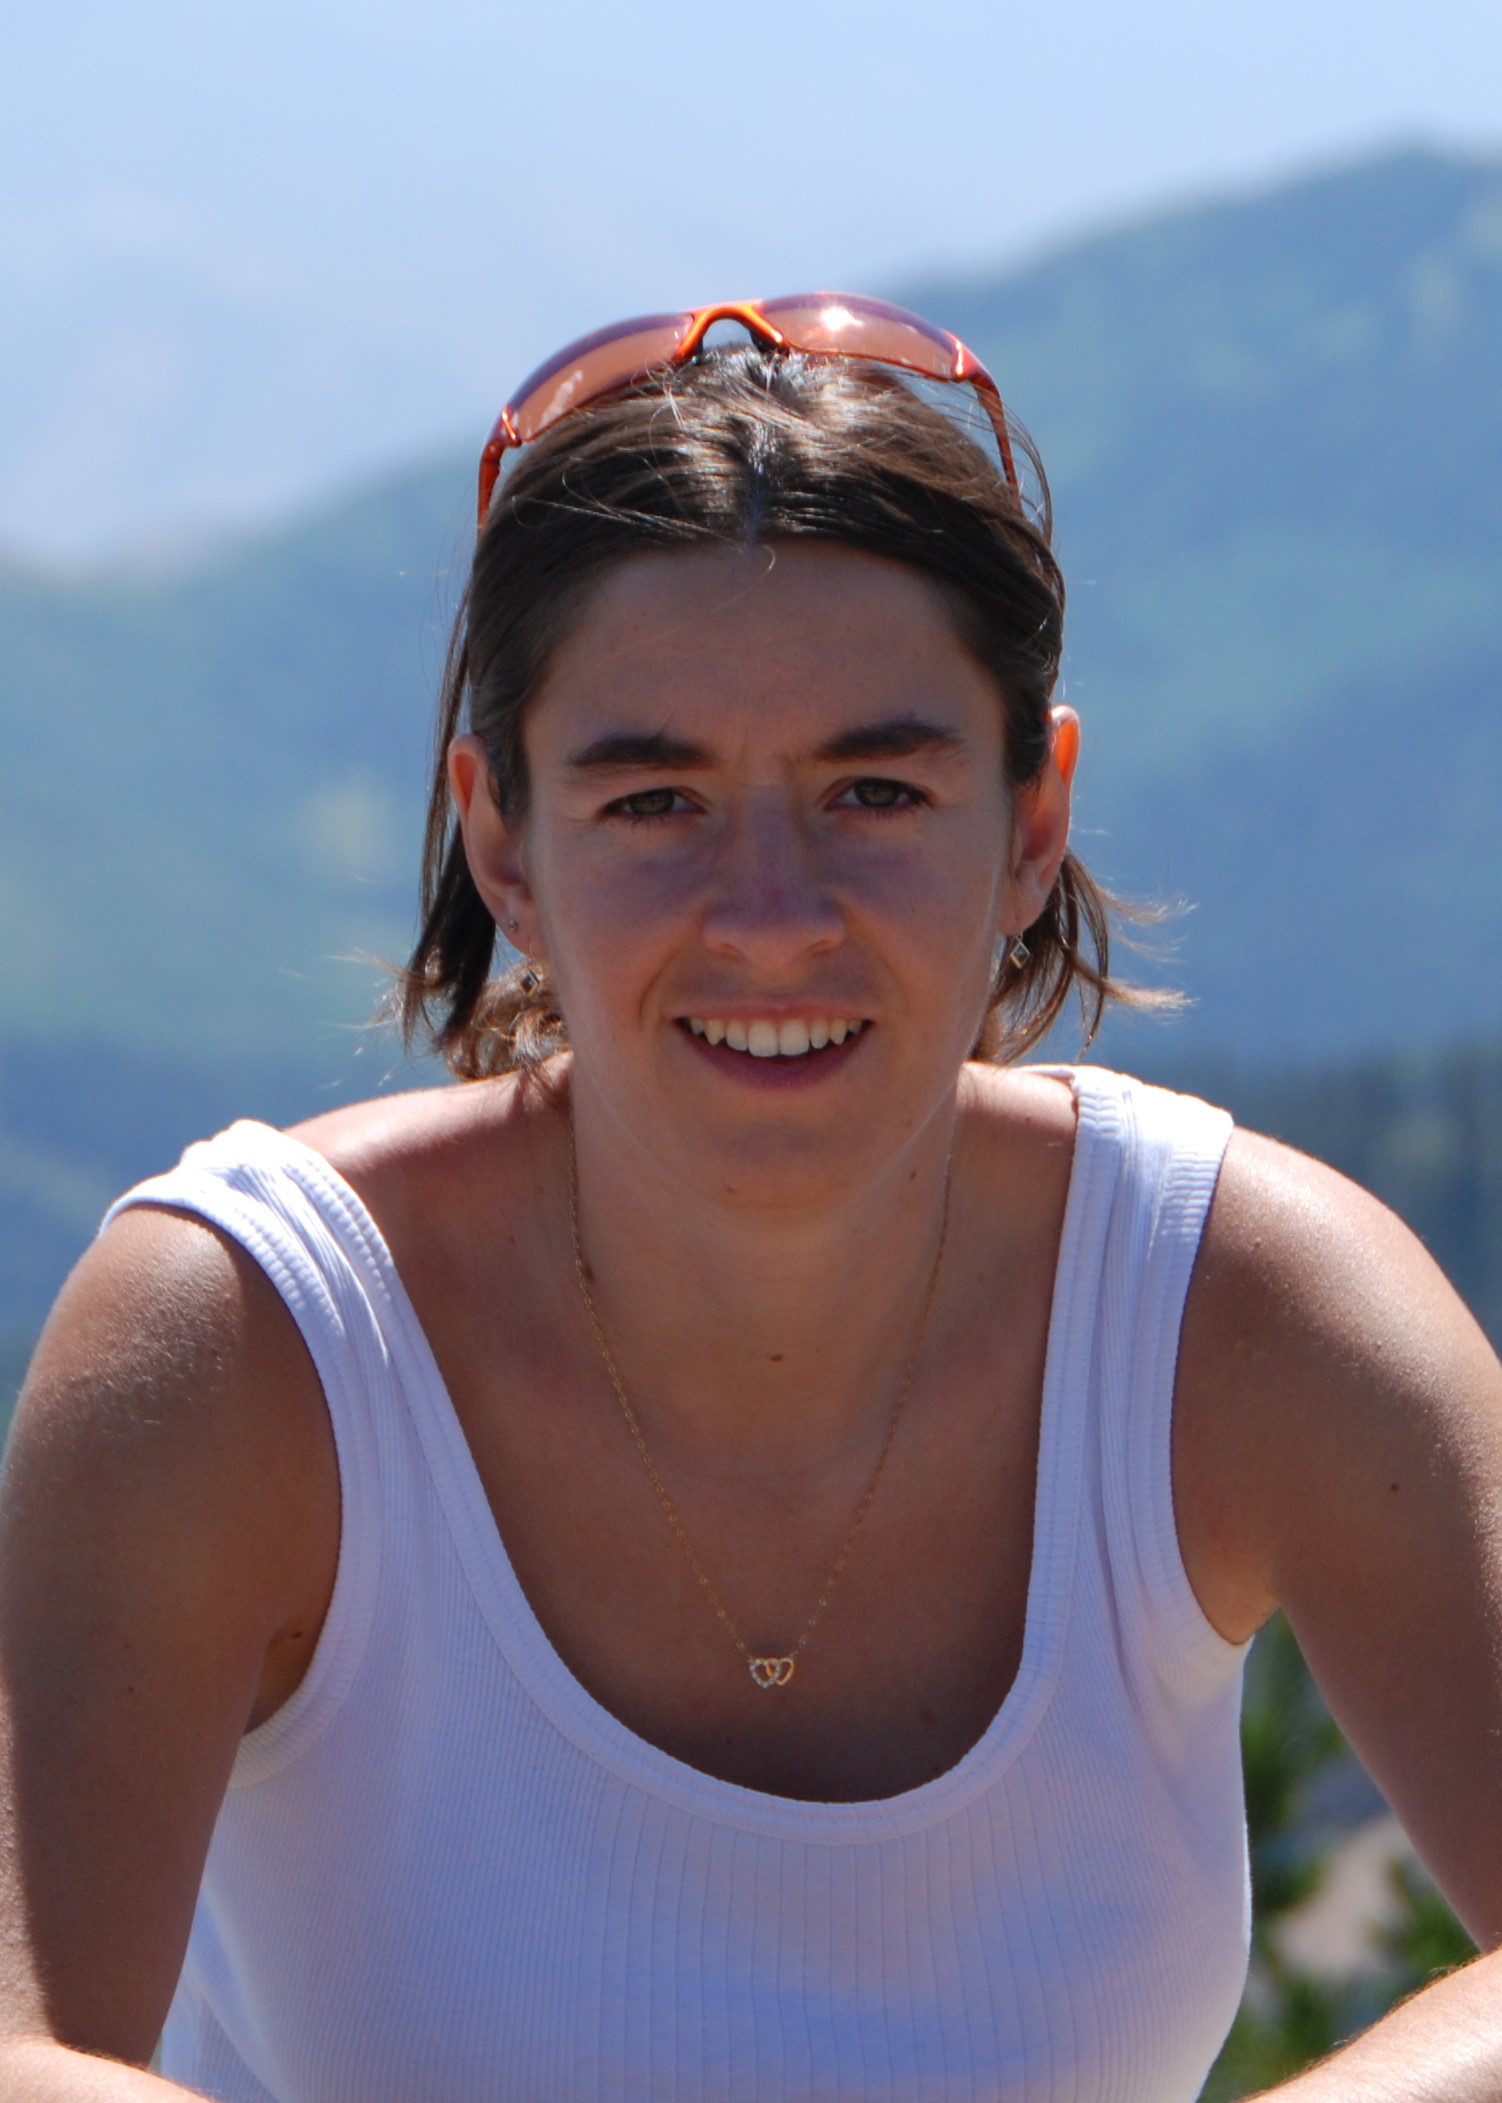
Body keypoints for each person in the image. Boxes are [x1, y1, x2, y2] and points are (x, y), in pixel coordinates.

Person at [2, 294, 1500, 2103]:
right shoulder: (248, 1341)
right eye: (655, 803)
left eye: (874, 789)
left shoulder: (1241, 1308)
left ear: (1032, 820)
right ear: (501, 839)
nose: (773, 917)